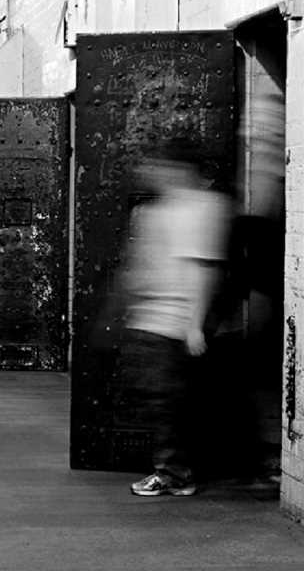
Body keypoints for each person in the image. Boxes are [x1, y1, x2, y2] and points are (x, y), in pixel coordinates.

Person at [117, 153, 229, 497]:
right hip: (154, 318)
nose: (149, 171)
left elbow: (202, 268)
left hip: (172, 322)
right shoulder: (162, 209)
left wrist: (194, 324)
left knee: (168, 402)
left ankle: (173, 473)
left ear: (180, 169)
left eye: (159, 165)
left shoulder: (198, 209)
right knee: (165, 399)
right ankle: (176, 471)